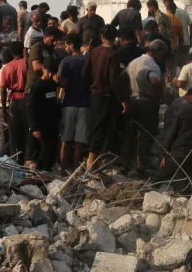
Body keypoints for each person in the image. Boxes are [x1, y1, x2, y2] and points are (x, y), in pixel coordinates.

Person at [82, 27, 122, 171]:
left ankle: (94, 162)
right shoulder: (113, 54)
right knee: (102, 129)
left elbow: (85, 74)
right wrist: (122, 99)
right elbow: (114, 79)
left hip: (94, 95)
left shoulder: (94, 52)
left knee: (96, 128)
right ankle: (92, 164)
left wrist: (91, 87)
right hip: (106, 96)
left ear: (102, 36)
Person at [123, 39, 165, 174]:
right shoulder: (152, 65)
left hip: (132, 100)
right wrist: (155, 98)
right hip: (146, 102)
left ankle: (126, 163)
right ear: (158, 53)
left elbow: (122, 77)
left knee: (131, 133)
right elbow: (154, 82)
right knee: (146, 134)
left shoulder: (133, 62)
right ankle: (142, 163)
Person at [26, 31, 62, 172]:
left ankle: (46, 172)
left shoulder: (51, 84)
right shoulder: (37, 86)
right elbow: (31, 107)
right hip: (40, 124)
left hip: (51, 124)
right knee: (43, 149)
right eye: (49, 72)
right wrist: (34, 127)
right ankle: (38, 172)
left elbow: (54, 103)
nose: (51, 75)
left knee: (51, 149)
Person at [56, 33, 90, 171]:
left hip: (69, 103)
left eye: (66, 45)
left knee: (66, 140)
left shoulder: (66, 61)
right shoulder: (88, 60)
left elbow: (63, 83)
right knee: (80, 141)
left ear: (71, 45)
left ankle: (63, 171)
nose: (65, 48)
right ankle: (75, 170)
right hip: (86, 103)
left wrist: (57, 80)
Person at [0, 43, 29, 158]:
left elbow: (2, 89)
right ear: (22, 50)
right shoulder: (25, 63)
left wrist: (3, 108)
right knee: (26, 132)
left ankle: (14, 160)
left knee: (14, 135)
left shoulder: (7, 67)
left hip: (13, 101)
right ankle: (26, 159)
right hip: (25, 99)